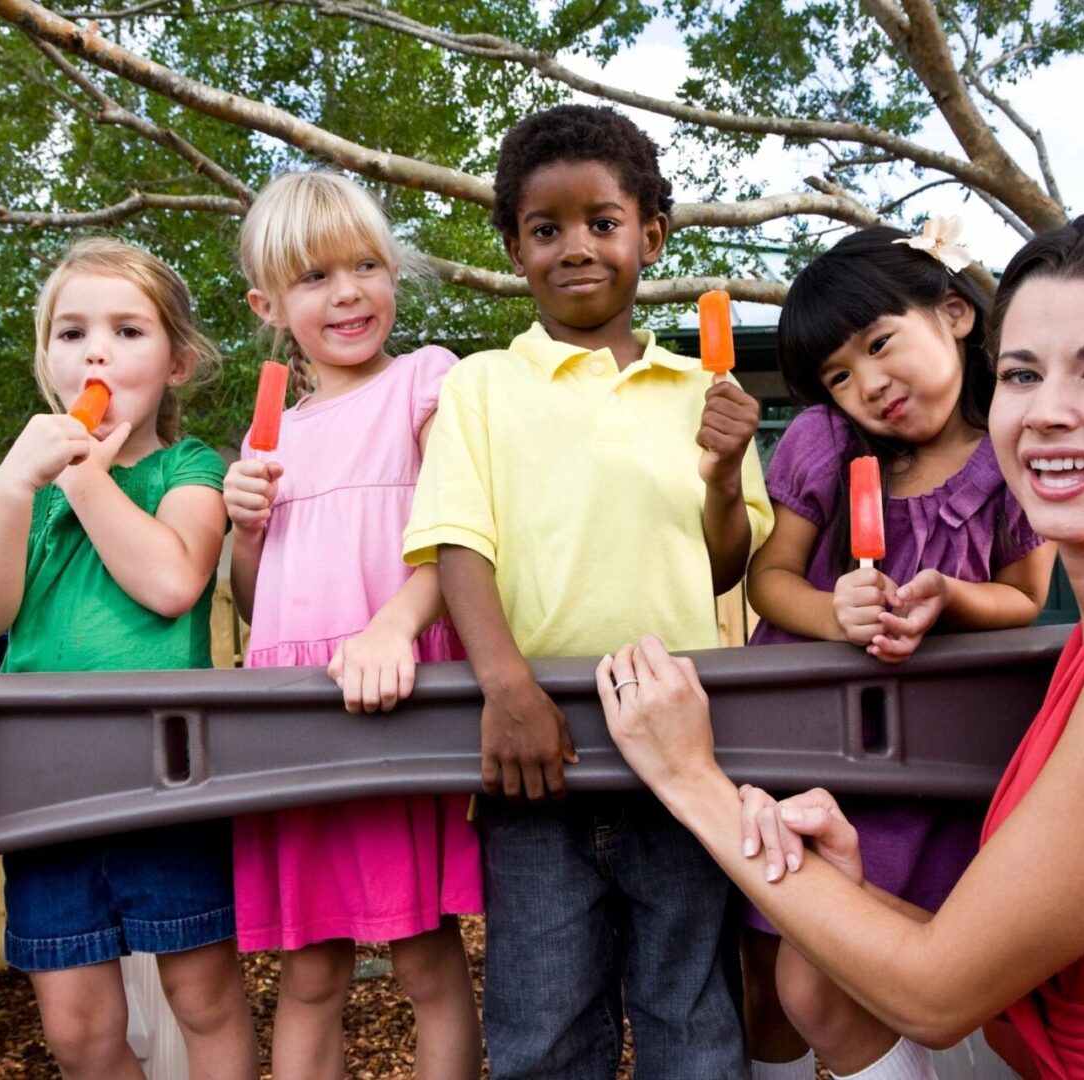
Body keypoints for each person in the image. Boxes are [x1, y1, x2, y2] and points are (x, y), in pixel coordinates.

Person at [597, 213, 1084, 1080]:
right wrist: (844, 880)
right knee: (813, 980)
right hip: (1051, 1050)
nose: (1046, 413)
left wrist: (689, 779)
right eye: (1024, 374)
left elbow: (936, 993)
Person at [403, 103, 773, 1078]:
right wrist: (506, 688)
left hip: (679, 747)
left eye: (602, 222)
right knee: (541, 1028)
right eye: (545, 227)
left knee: (691, 1025)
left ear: (648, 236)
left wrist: (726, 471)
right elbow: (456, 543)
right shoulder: (481, 387)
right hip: (538, 757)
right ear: (514, 248)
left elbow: (726, 564)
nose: (576, 247)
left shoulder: (704, 392)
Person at [741, 223, 1054, 1080]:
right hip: (806, 749)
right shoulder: (823, 443)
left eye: (880, 345)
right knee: (775, 968)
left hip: (932, 762)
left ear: (954, 313)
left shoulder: (1010, 455)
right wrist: (828, 607)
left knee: (901, 959)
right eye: (839, 375)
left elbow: (1024, 597)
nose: (867, 386)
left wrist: (951, 599)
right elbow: (768, 578)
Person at [0, 238, 256, 1080]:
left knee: (204, 999)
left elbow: (169, 582)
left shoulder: (188, 470)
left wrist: (86, 477)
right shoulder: (11, 484)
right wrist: (16, 487)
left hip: (166, 777)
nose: (95, 350)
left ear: (178, 363)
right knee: (80, 1034)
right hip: (42, 783)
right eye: (70, 331)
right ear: (45, 357)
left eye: (127, 331)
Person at [224, 170, 482, 1080]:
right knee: (308, 970)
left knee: (423, 954)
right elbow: (254, 599)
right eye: (314, 278)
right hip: (294, 713)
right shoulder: (270, 438)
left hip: (395, 695)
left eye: (365, 266)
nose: (346, 293)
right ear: (269, 304)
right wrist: (244, 525)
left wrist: (392, 629)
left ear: (393, 277)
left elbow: (459, 535)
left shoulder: (424, 381)